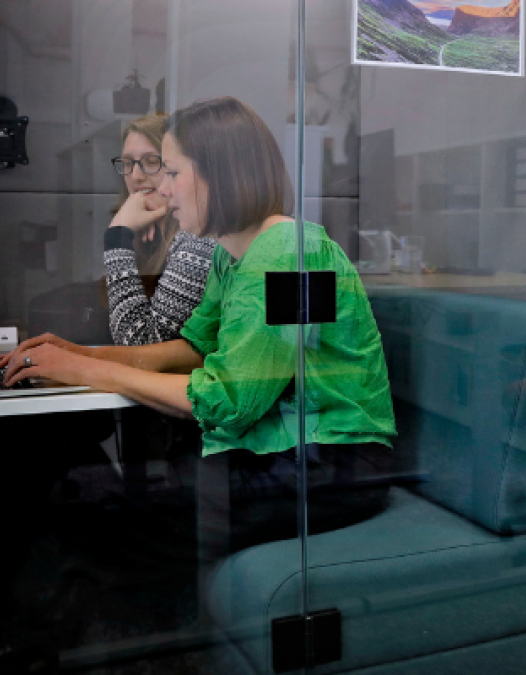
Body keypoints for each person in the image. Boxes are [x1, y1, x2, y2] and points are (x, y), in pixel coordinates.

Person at [0, 97, 397, 663]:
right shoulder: (230, 255)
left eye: (174, 173)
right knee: (89, 499)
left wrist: (87, 369)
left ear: (221, 174)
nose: (162, 192)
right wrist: (79, 352)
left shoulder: (291, 257)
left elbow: (230, 400)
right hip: (274, 459)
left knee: (90, 516)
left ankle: (65, 648)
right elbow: (189, 348)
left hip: (329, 466)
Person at [105, 113, 216, 346]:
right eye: (127, 163)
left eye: (151, 162)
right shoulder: (150, 233)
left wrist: (117, 239)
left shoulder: (199, 238)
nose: (135, 176)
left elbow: (142, 345)